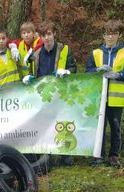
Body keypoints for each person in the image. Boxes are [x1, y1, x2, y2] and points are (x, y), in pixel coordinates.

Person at [86, 19, 124, 168]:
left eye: (114, 34)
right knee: (99, 128)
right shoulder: (96, 53)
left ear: (119, 35)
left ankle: (114, 156)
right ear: (103, 35)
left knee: (115, 127)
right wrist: (97, 71)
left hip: (116, 99)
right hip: (99, 98)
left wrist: (118, 75)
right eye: (108, 34)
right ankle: (98, 155)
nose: (110, 37)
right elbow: (88, 70)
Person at [24, 21, 77, 166]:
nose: (46, 38)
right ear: (39, 37)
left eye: (49, 34)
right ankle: (44, 153)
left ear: (54, 33)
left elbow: (73, 68)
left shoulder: (64, 50)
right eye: (43, 35)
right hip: (43, 94)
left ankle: (65, 154)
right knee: (42, 123)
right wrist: (28, 78)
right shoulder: (36, 53)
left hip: (61, 93)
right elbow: (31, 72)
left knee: (62, 123)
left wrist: (67, 71)